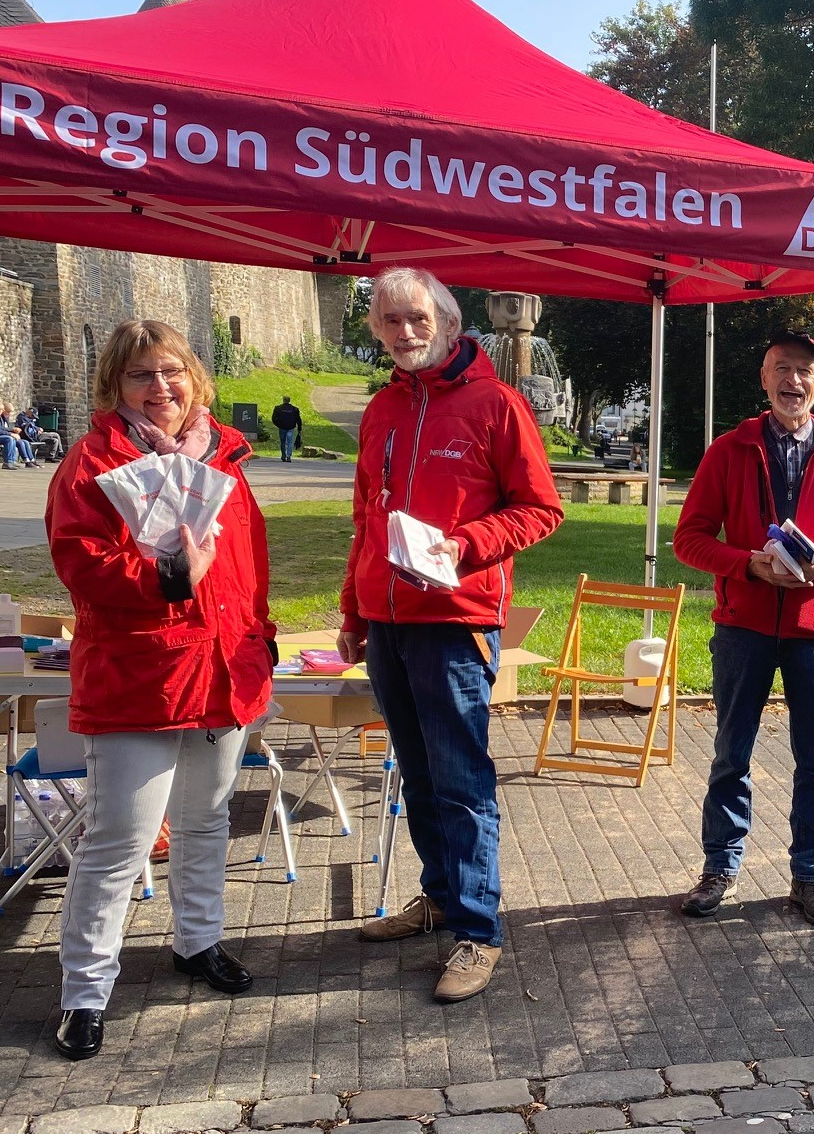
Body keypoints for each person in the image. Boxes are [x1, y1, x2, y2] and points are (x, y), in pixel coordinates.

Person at [43, 319, 278, 1061]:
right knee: (120, 840)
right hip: (141, 673)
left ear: (195, 379)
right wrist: (170, 577)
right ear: (116, 385)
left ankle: (197, 943)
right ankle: (85, 992)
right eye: (141, 375)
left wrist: (260, 638)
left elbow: (249, 567)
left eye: (171, 371)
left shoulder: (228, 462)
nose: (160, 387)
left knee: (208, 822)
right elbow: (81, 566)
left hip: (222, 670)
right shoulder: (91, 465)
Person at [338, 267, 563, 1003]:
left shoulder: (496, 404)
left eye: (416, 320)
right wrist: (353, 610)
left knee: (462, 780)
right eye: (389, 322)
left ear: (446, 321)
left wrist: (464, 545)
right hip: (388, 622)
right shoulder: (381, 411)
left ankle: (477, 928)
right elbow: (366, 521)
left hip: (457, 619)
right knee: (417, 771)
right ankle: (439, 897)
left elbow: (540, 509)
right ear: (376, 330)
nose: (404, 333)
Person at [672, 330, 814, 927]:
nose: (793, 380)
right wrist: (746, 564)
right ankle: (719, 868)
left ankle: (810, 877)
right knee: (730, 755)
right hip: (743, 626)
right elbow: (688, 539)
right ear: (764, 380)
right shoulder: (729, 449)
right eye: (781, 368)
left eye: (805, 371)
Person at [271, 395, 303, 462]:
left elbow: (274, 419)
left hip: (282, 427)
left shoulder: (278, 408)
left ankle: (283, 455)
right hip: (291, 427)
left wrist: (278, 425)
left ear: (283, 400)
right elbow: (298, 419)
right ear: (289, 400)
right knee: (290, 442)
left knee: (283, 442)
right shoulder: (294, 409)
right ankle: (289, 455)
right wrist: (299, 428)